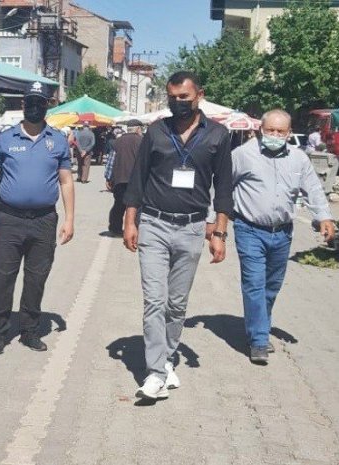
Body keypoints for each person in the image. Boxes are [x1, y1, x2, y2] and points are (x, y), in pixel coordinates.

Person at [122, 71, 233, 400]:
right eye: (172, 97)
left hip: (192, 228)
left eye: (184, 97)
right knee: (155, 300)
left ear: (200, 95)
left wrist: (220, 232)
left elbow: (223, 188)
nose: (178, 102)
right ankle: (156, 372)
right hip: (154, 224)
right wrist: (130, 220)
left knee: (176, 304)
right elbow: (138, 178)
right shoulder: (157, 131)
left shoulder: (218, 135)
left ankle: (168, 356)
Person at [0, 81, 75, 355]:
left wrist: (69, 219)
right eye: (30, 102)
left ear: (47, 106)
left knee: (36, 278)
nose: (34, 107)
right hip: (9, 219)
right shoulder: (5, 139)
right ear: (23, 105)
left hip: (44, 220)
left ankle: (30, 331)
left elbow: (66, 181)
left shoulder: (57, 140)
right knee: (3, 275)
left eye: (39, 103)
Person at [231, 109, 335, 364]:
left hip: (282, 233)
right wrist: (215, 221)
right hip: (249, 229)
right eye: (270, 130)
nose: (275, 135)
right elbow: (222, 186)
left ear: (289, 133)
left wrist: (324, 217)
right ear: (260, 130)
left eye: (280, 131)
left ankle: (259, 327)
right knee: (254, 283)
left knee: (271, 286)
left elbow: (313, 189)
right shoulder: (243, 155)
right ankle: (258, 340)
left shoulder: (299, 159)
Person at [104, 120, 143, 236]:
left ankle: (115, 228)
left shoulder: (117, 142)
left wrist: (108, 178)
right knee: (137, 205)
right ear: (138, 129)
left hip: (120, 179)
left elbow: (111, 161)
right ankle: (135, 228)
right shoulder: (142, 141)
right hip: (136, 180)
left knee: (119, 205)